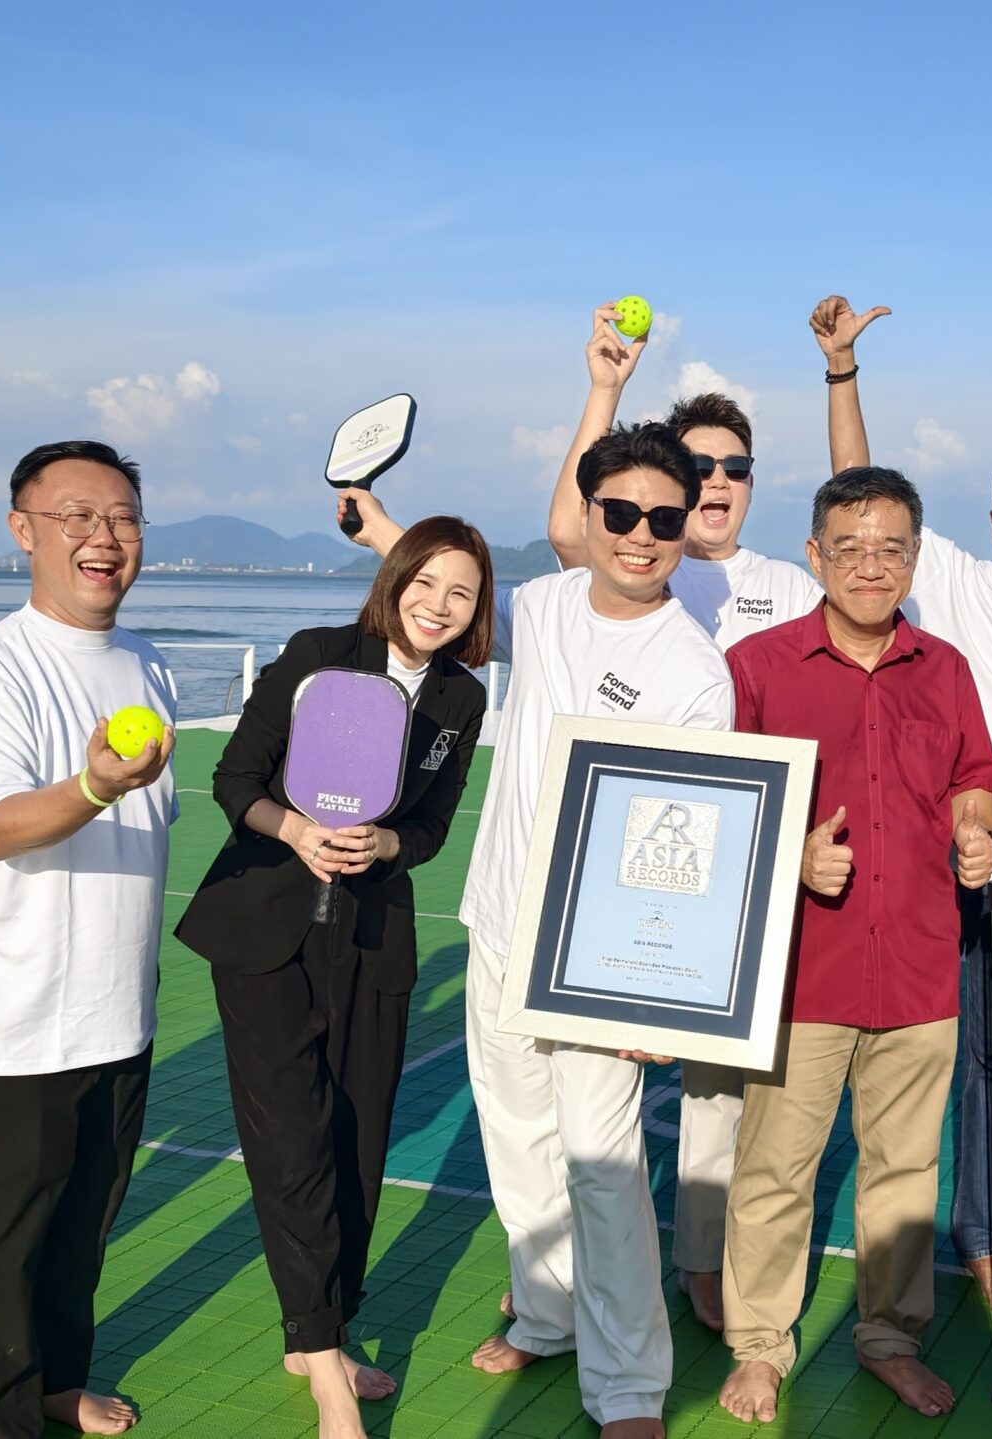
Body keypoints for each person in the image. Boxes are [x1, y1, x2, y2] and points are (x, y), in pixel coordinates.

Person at [347, 421, 732, 1439]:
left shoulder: (695, 668)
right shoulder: (546, 605)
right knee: (517, 1142)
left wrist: (661, 989)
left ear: (687, 527)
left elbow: (689, 842)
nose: (641, 535)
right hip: (502, 919)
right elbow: (440, 597)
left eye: (664, 518)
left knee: (603, 1165)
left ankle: (631, 1386)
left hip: (603, 958)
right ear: (588, 515)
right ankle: (550, 1316)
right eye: (622, 512)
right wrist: (379, 526)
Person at [174, 516, 493, 1439]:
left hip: (372, 940)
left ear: (477, 611)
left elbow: (432, 824)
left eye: (461, 592)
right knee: (292, 1144)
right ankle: (324, 1370)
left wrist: (388, 842)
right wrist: (295, 829)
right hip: (265, 934)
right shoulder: (317, 656)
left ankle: (323, 1328)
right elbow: (235, 779)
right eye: (425, 582)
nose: (438, 604)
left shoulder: (461, 699)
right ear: (394, 580)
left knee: (357, 1141)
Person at [540, 304, 822, 1329]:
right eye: (696, 464)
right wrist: (606, 387)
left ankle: (703, 1260)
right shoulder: (628, 558)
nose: (714, 481)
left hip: (751, 861)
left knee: (718, 1088)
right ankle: (558, 1283)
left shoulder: (789, 584)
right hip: (644, 866)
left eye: (734, 466)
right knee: (593, 1099)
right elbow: (570, 522)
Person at [715, 465, 992, 1425]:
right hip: (802, 969)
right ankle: (761, 1344)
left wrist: (975, 828)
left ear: (914, 558)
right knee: (774, 1168)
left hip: (920, 962)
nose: (870, 565)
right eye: (849, 548)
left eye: (890, 548)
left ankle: (890, 1336)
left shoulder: (946, 667)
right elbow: (721, 809)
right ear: (814, 555)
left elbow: (972, 777)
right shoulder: (756, 666)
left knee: (906, 1172)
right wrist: (790, 855)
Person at [815, 293, 992, 1309]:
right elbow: (861, 498)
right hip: (978, 849)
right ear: (990, 520)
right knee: (982, 1056)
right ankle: (981, 1231)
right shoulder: (955, 581)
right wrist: (843, 372)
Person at [0, 439, 177, 1439]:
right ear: (23, 530)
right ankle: (0, 1420)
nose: (103, 537)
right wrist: (95, 785)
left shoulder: (146, 662)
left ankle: (59, 1382)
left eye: (122, 517)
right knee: (4, 1235)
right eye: (77, 516)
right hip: (13, 1013)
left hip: (118, 1005)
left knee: (82, 1223)